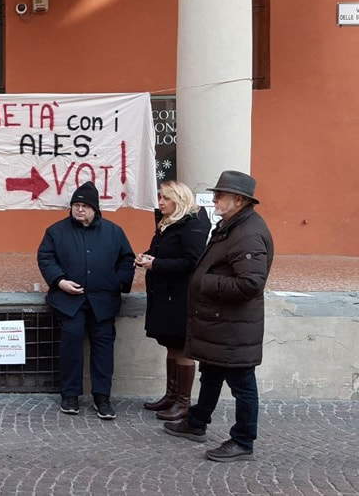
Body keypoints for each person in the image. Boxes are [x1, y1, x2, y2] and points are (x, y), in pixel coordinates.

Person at [163, 171, 274, 462]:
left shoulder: (248, 233)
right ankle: (197, 422)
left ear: (239, 200)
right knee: (211, 373)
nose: (214, 200)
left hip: (234, 326)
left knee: (242, 383)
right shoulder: (231, 225)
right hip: (220, 321)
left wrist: (205, 282)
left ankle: (243, 441)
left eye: (219, 195)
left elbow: (251, 284)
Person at [37, 181, 135, 420]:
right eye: (76, 205)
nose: (80, 209)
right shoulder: (56, 231)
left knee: (103, 349)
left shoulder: (114, 232)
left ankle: (102, 397)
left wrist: (116, 282)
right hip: (69, 302)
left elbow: (127, 260)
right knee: (71, 346)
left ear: (95, 209)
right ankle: (70, 395)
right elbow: (46, 257)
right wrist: (60, 281)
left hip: (103, 301)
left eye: (85, 206)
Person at [138, 181, 211, 421]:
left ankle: (183, 402)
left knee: (182, 346)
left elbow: (192, 261)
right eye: (160, 197)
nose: (160, 202)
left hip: (181, 296)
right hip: (164, 294)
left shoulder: (192, 224)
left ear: (179, 200)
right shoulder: (168, 223)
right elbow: (162, 251)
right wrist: (147, 257)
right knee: (171, 344)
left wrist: (156, 264)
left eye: (165, 198)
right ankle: (171, 396)